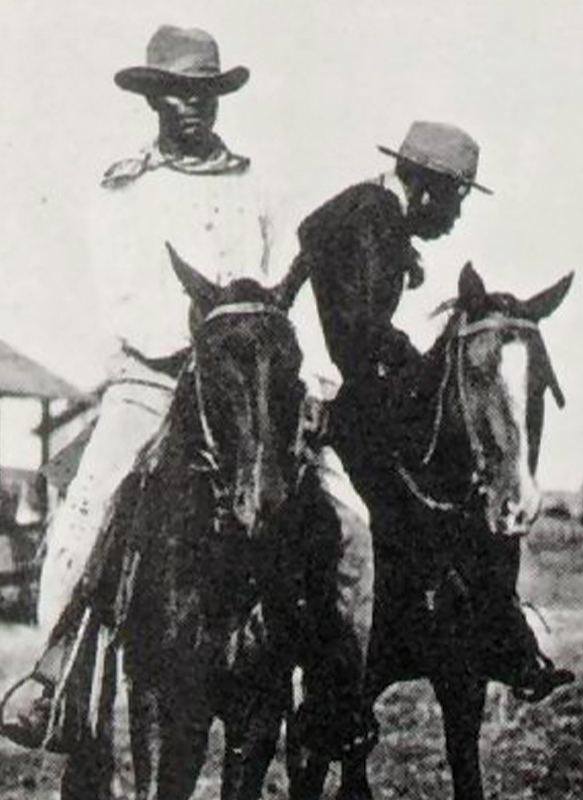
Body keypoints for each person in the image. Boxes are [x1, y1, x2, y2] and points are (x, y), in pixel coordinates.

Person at [0, 25, 376, 757]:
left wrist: (306, 376)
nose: (190, 106)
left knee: (350, 522)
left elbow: (283, 292)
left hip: (256, 386)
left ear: (218, 97)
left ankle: (338, 699)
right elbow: (126, 302)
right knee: (86, 512)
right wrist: (203, 348)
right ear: (152, 98)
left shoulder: (258, 184)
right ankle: (57, 687)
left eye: (203, 92)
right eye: (175, 91)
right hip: (155, 381)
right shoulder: (122, 190)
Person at [293, 120, 575, 701]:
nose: (454, 217)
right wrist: (408, 359)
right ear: (425, 189)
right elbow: (358, 335)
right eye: (454, 201)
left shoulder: (375, 217)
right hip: (322, 397)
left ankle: (499, 631)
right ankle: (353, 677)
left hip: (335, 382)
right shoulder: (373, 218)